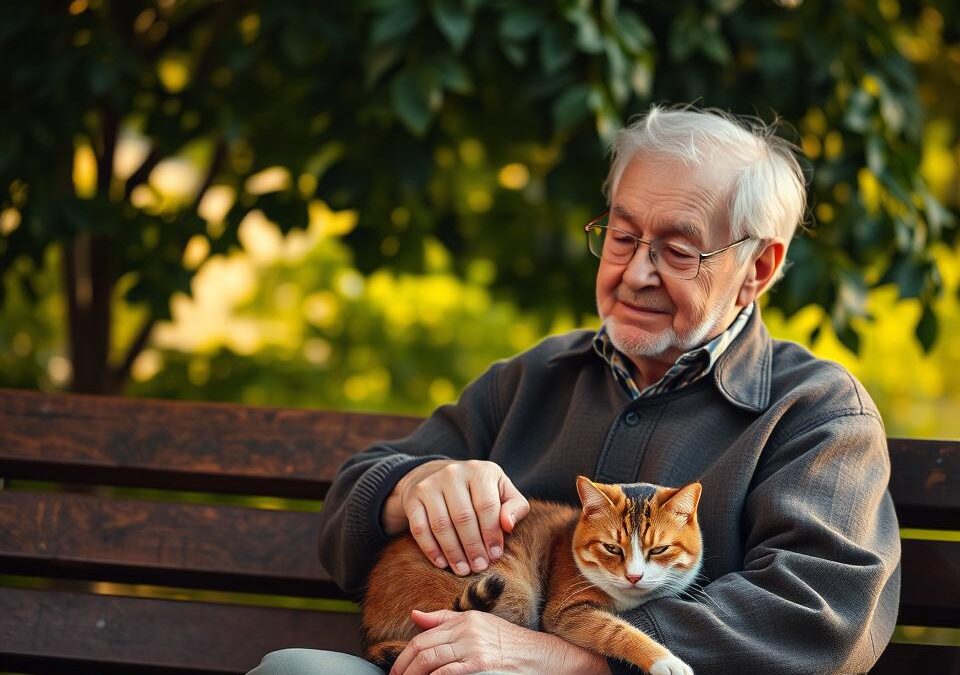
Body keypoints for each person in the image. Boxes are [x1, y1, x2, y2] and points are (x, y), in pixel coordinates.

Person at [248, 105, 900, 675]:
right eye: (621, 236)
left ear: (756, 266)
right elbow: (347, 505)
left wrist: (581, 654)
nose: (636, 272)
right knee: (294, 669)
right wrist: (409, 488)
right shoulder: (534, 377)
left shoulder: (813, 412)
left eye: (676, 250)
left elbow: (819, 608)